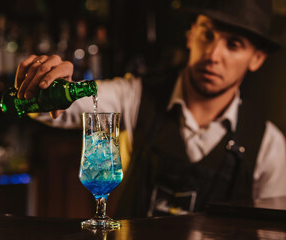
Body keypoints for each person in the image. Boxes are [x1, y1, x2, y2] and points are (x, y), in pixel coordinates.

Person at [15, 0, 286, 217]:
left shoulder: (269, 146)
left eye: (234, 44)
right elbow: (57, 112)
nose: (213, 55)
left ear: (257, 58)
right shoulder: (135, 95)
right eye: (207, 35)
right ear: (191, 36)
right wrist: (43, 86)